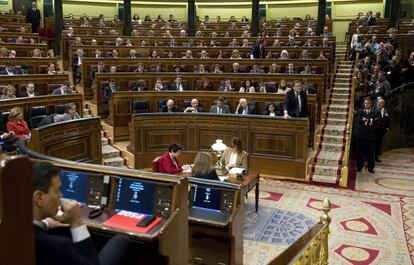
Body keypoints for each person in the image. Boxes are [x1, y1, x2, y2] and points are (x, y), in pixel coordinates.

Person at [32, 161, 131, 265]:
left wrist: (45, 224)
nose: (61, 195)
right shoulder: (58, 247)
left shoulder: (15, 231)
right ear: (39, 198)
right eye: (57, 191)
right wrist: (77, 222)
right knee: (121, 241)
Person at [356, 98, 379, 173]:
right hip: (361, 136)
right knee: (360, 153)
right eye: (366, 103)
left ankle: (371, 168)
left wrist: (366, 120)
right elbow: (359, 121)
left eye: (368, 103)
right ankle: (359, 167)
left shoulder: (375, 111)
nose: (367, 105)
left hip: (371, 136)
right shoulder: (360, 111)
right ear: (364, 104)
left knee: (371, 154)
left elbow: (377, 121)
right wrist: (371, 120)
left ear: (371, 104)